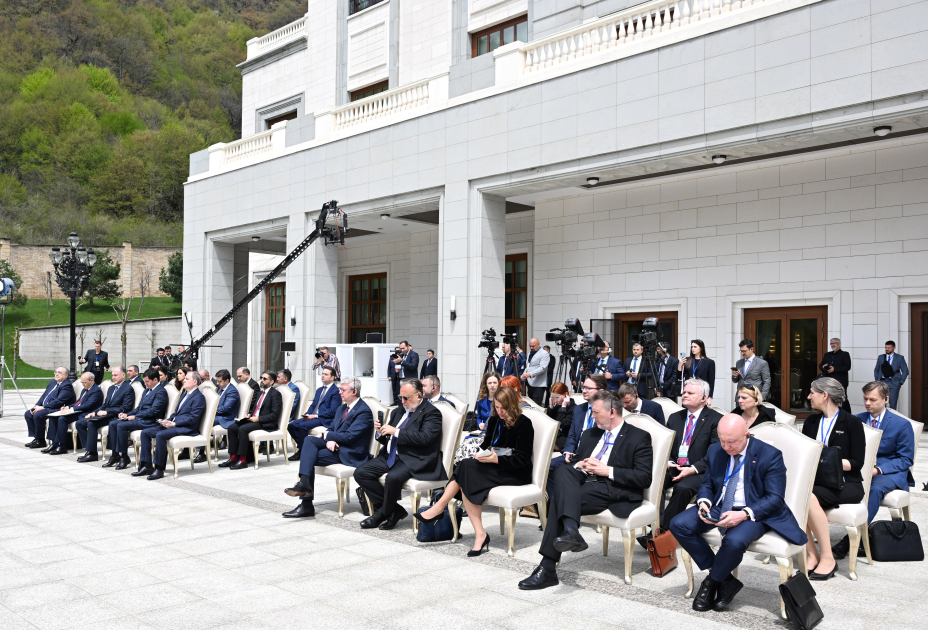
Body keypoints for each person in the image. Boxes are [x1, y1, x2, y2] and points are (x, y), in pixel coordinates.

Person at [670, 415, 808, 611]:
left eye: (732, 442)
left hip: (754, 511)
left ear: (746, 434)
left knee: (734, 541)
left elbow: (775, 498)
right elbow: (707, 483)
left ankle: (710, 583)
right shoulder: (715, 450)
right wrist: (704, 502)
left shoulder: (770, 455)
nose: (726, 447)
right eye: (722, 440)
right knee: (678, 524)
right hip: (719, 505)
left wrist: (744, 514)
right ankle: (726, 580)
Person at [518, 390, 653, 590]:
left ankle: (548, 566)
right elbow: (577, 462)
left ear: (612, 412)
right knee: (563, 470)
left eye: (596, 412)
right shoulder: (590, 434)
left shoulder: (638, 437)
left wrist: (607, 470)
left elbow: (644, 477)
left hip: (613, 488)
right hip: (584, 482)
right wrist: (580, 464)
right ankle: (570, 531)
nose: (592, 416)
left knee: (559, 501)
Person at [415, 386, 535, 554]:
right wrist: (481, 455)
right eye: (497, 407)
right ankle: (479, 534)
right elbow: (485, 445)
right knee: (466, 468)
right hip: (494, 466)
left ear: (512, 406)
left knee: (465, 470)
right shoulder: (494, 420)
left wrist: (497, 459)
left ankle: (439, 508)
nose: (500, 411)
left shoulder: (524, 423)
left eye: (504, 408)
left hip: (515, 472)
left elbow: (523, 458)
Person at [832, 381, 916, 559]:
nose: (868, 403)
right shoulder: (856, 420)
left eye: (873, 399)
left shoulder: (902, 424)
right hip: (859, 467)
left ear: (886, 399)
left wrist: (878, 470)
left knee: (875, 489)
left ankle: (848, 541)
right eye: (865, 399)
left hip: (889, 471)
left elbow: (906, 459)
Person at [354, 378, 444, 531]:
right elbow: (388, 438)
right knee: (361, 473)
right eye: (400, 397)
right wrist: (380, 432)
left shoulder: (431, 413)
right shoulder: (398, 411)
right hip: (392, 455)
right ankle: (394, 510)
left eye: (406, 398)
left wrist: (396, 431)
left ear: (419, 395)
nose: (402, 401)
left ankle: (382, 514)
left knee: (393, 477)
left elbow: (424, 438)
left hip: (415, 457)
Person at [800, 377, 866, 580]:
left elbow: (857, 463)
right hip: (818, 482)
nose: (808, 397)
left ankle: (828, 558)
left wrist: (829, 461)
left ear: (824, 395)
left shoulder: (852, 423)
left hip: (847, 484)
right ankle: (813, 555)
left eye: (812, 393)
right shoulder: (811, 422)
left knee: (808, 497)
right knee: (796, 496)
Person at [282, 378, 374, 518]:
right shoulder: (342, 408)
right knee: (309, 440)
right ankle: (304, 484)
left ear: (354, 391)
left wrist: (328, 436)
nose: (340, 392)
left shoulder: (363, 411)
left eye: (343, 390)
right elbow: (332, 427)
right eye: (340, 389)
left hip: (350, 452)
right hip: (337, 446)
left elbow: (350, 437)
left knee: (309, 457)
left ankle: (306, 503)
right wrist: (330, 437)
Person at [659, 379, 723, 532]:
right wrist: (668, 461)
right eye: (684, 392)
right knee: (655, 481)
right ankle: (656, 524)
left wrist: (693, 469)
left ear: (704, 398)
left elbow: (715, 453)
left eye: (690, 393)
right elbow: (666, 446)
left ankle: (663, 531)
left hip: (700, 470)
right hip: (675, 466)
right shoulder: (675, 418)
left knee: (683, 488)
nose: (684, 395)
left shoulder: (716, 419)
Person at [132, 371, 206, 480]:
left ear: (195, 382)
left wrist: (174, 424)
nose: (184, 380)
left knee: (161, 435)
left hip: (187, 428)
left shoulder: (199, 397)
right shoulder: (184, 394)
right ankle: (147, 465)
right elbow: (176, 413)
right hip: (175, 425)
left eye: (187, 379)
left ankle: (159, 469)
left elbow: (193, 418)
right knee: (145, 432)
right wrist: (167, 420)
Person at [547, 374, 607, 496]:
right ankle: (555, 502)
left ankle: (565, 501)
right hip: (574, 455)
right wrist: (568, 451)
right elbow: (572, 435)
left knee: (563, 472)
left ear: (601, 391)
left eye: (589, 388)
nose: (584, 391)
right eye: (584, 387)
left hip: (593, 458)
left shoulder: (607, 411)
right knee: (547, 467)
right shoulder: (579, 409)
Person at [104, 368, 169, 470]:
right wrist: (126, 414)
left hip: (151, 421)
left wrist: (135, 417)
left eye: (147, 381)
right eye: (144, 381)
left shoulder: (161, 392)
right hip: (142, 418)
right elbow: (139, 408)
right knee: (113, 424)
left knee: (121, 425)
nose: (145, 384)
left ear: (155, 380)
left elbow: (154, 411)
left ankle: (124, 457)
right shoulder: (147, 391)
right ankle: (115, 455)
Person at [221, 371, 283, 469]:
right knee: (232, 427)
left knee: (242, 429)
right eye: (261, 378)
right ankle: (233, 458)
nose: (262, 380)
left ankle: (243, 460)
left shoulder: (275, 394)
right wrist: (249, 414)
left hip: (265, 422)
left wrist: (258, 418)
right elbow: (256, 409)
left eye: (265, 379)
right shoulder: (260, 393)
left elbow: (274, 415)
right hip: (254, 419)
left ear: (271, 382)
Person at [75, 366, 135, 462]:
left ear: (123, 375)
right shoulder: (111, 388)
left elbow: (125, 408)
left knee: (91, 423)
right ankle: (89, 450)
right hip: (106, 415)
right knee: (80, 423)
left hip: (116, 416)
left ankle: (92, 453)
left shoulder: (128, 389)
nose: (113, 377)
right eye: (112, 375)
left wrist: (107, 412)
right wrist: (94, 412)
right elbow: (106, 404)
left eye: (116, 375)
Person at [43, 373, 103, 455]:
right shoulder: (85, 389)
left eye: (84, 382)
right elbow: (78, 402)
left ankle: (62, 446)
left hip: (86, 413)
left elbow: (87, 405)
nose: (83, 384)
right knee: (54, 417)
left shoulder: (96, 391)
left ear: (92, 380)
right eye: (82, 382)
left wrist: (71, 410)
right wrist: (67, 407)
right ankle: (55, 444)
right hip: (79, 411)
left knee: (62, 419)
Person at [287, 366, 341, 458]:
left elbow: (333, 411)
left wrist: (315, 416)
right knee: (291, 426)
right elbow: (313, 405)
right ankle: (306, 447)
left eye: (326, 374)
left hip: (324, 418)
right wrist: (308, 414)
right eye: (322, 373)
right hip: (313, 416)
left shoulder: (336, 391)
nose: (323, 376)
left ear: (332, 377)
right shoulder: (319, 390)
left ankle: (302, 452)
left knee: (302, 426)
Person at [194, 369, 240, 464]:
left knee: (205, 422)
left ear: (227, 381)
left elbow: (226, 409)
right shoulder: (221, 389)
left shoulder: (232, 391)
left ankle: (202, 453)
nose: (217, 383)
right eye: (217, 381)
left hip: (227, 418)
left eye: (220, 381)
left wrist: (211, 412)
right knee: (201, 419)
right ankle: (199, 449)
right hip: (219, 415)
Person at [24, 367, 74, 449]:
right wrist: (36, 406)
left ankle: (40, 440)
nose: (56, 374)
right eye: (56, 372)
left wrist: (43, 407)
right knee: (28, 413)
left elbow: (59, 401)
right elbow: (44, 396)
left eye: (59, 373)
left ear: (66, 375)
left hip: (58, 408)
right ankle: (38, 438)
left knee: (38, 415)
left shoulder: (67, 386)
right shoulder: (53, 382)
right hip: (48, 407)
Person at [873, 341, 908, 410]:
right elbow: (876, 369)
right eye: (886, 347)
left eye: (889, 348)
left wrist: (901, 382)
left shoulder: (899, 358)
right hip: (882, 382)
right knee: (882, 403)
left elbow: (905, 370)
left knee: (893, 404)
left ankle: (891, 417)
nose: (887, 349)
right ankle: (883, 417)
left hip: (894, 383)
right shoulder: (881, 357)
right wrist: (877, 381)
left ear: (894, 348)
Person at [820, 338, 851, 412]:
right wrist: (823, 367)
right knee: (829, 399)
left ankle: (847, 415)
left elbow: (847, 367)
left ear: (839, 344)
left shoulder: (845, 354)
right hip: (828, 381)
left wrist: (835, 369)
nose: (832, 345)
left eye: (834, 343)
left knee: (842, 399)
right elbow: (820, 365)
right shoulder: (827, 354)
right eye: (831, 343)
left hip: (840, 381)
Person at [546, 382, 576, 450]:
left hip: (565, 438)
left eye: (557, 397)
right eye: (553, 398)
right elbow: (548, 422)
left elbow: (563, 424)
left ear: (566, 394)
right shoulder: (557, 406)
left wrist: (563, 407)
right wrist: (551, 407)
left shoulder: (574, 408)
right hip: (554, 436)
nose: (556, 400)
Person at [520, 338, 550, 405]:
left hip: (538, 385)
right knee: (530, 404)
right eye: (530, 346)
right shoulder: (530, 353)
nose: (531, 348)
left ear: (539, 344)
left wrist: (530, 374)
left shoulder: (544, 353)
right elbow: (528, 366)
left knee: (536, 405)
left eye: (533, 346)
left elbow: (542, 368)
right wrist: (524, 374)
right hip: (530, 383)